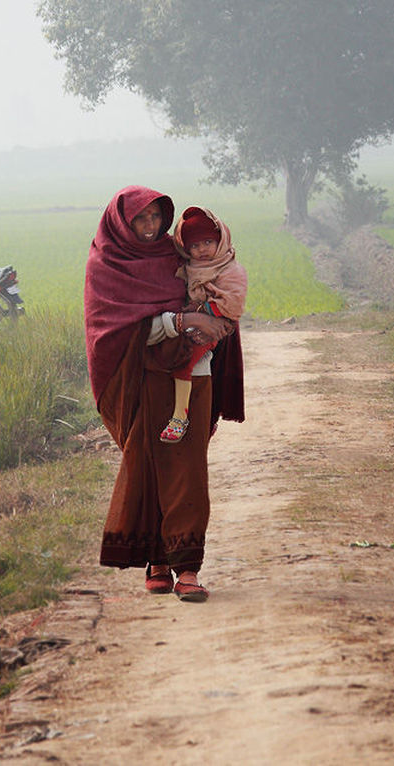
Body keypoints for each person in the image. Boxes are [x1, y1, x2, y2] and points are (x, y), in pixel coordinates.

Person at [84, 186, 244, 601]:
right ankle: (156, 562)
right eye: (141, 218)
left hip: (192, 377)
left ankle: (187, 567)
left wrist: (191, 323)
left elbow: (215, 307)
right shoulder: (106, 265)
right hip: (137, 379)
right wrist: (173, 322)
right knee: (147, 466)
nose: (151, 226)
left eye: (157, 217)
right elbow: (109, 330)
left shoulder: (178, 257)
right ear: (121, 222)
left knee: (188, 468)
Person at [160, 206, 248, 443]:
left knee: (184, 361)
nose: (202, 250)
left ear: (220, 240)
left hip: (216, 326)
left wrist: (201, 311)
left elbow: (233, 303)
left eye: (208, 242)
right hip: (194, 324)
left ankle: (180, 418)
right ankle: (200, 418)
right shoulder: (192, 267)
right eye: (195, 246)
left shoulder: (230, 269)